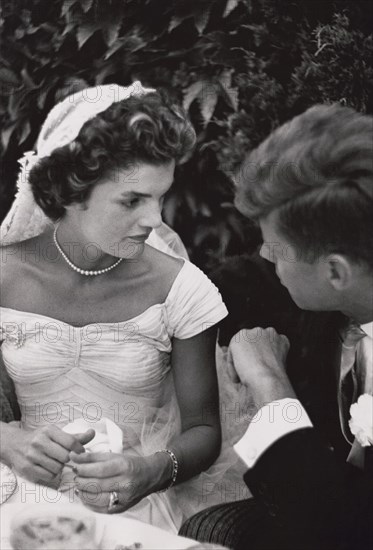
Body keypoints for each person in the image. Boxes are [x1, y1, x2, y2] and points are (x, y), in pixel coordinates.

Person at [0, 81, 236, 533]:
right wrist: (7, 441)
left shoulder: (183, 289)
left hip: (135, 509)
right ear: (71, 190)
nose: (154, 220)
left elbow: (205, 430)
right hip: (16, 494)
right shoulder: (6, 274)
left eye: (160, 197)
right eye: (132, 200)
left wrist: (150, 471)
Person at [180, 103, 373, 549]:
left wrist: (270, 384)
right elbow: (244, 280)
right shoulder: (340, 286)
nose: (267, 259)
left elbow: (332, 530)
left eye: (274, 248)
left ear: (336, 272)